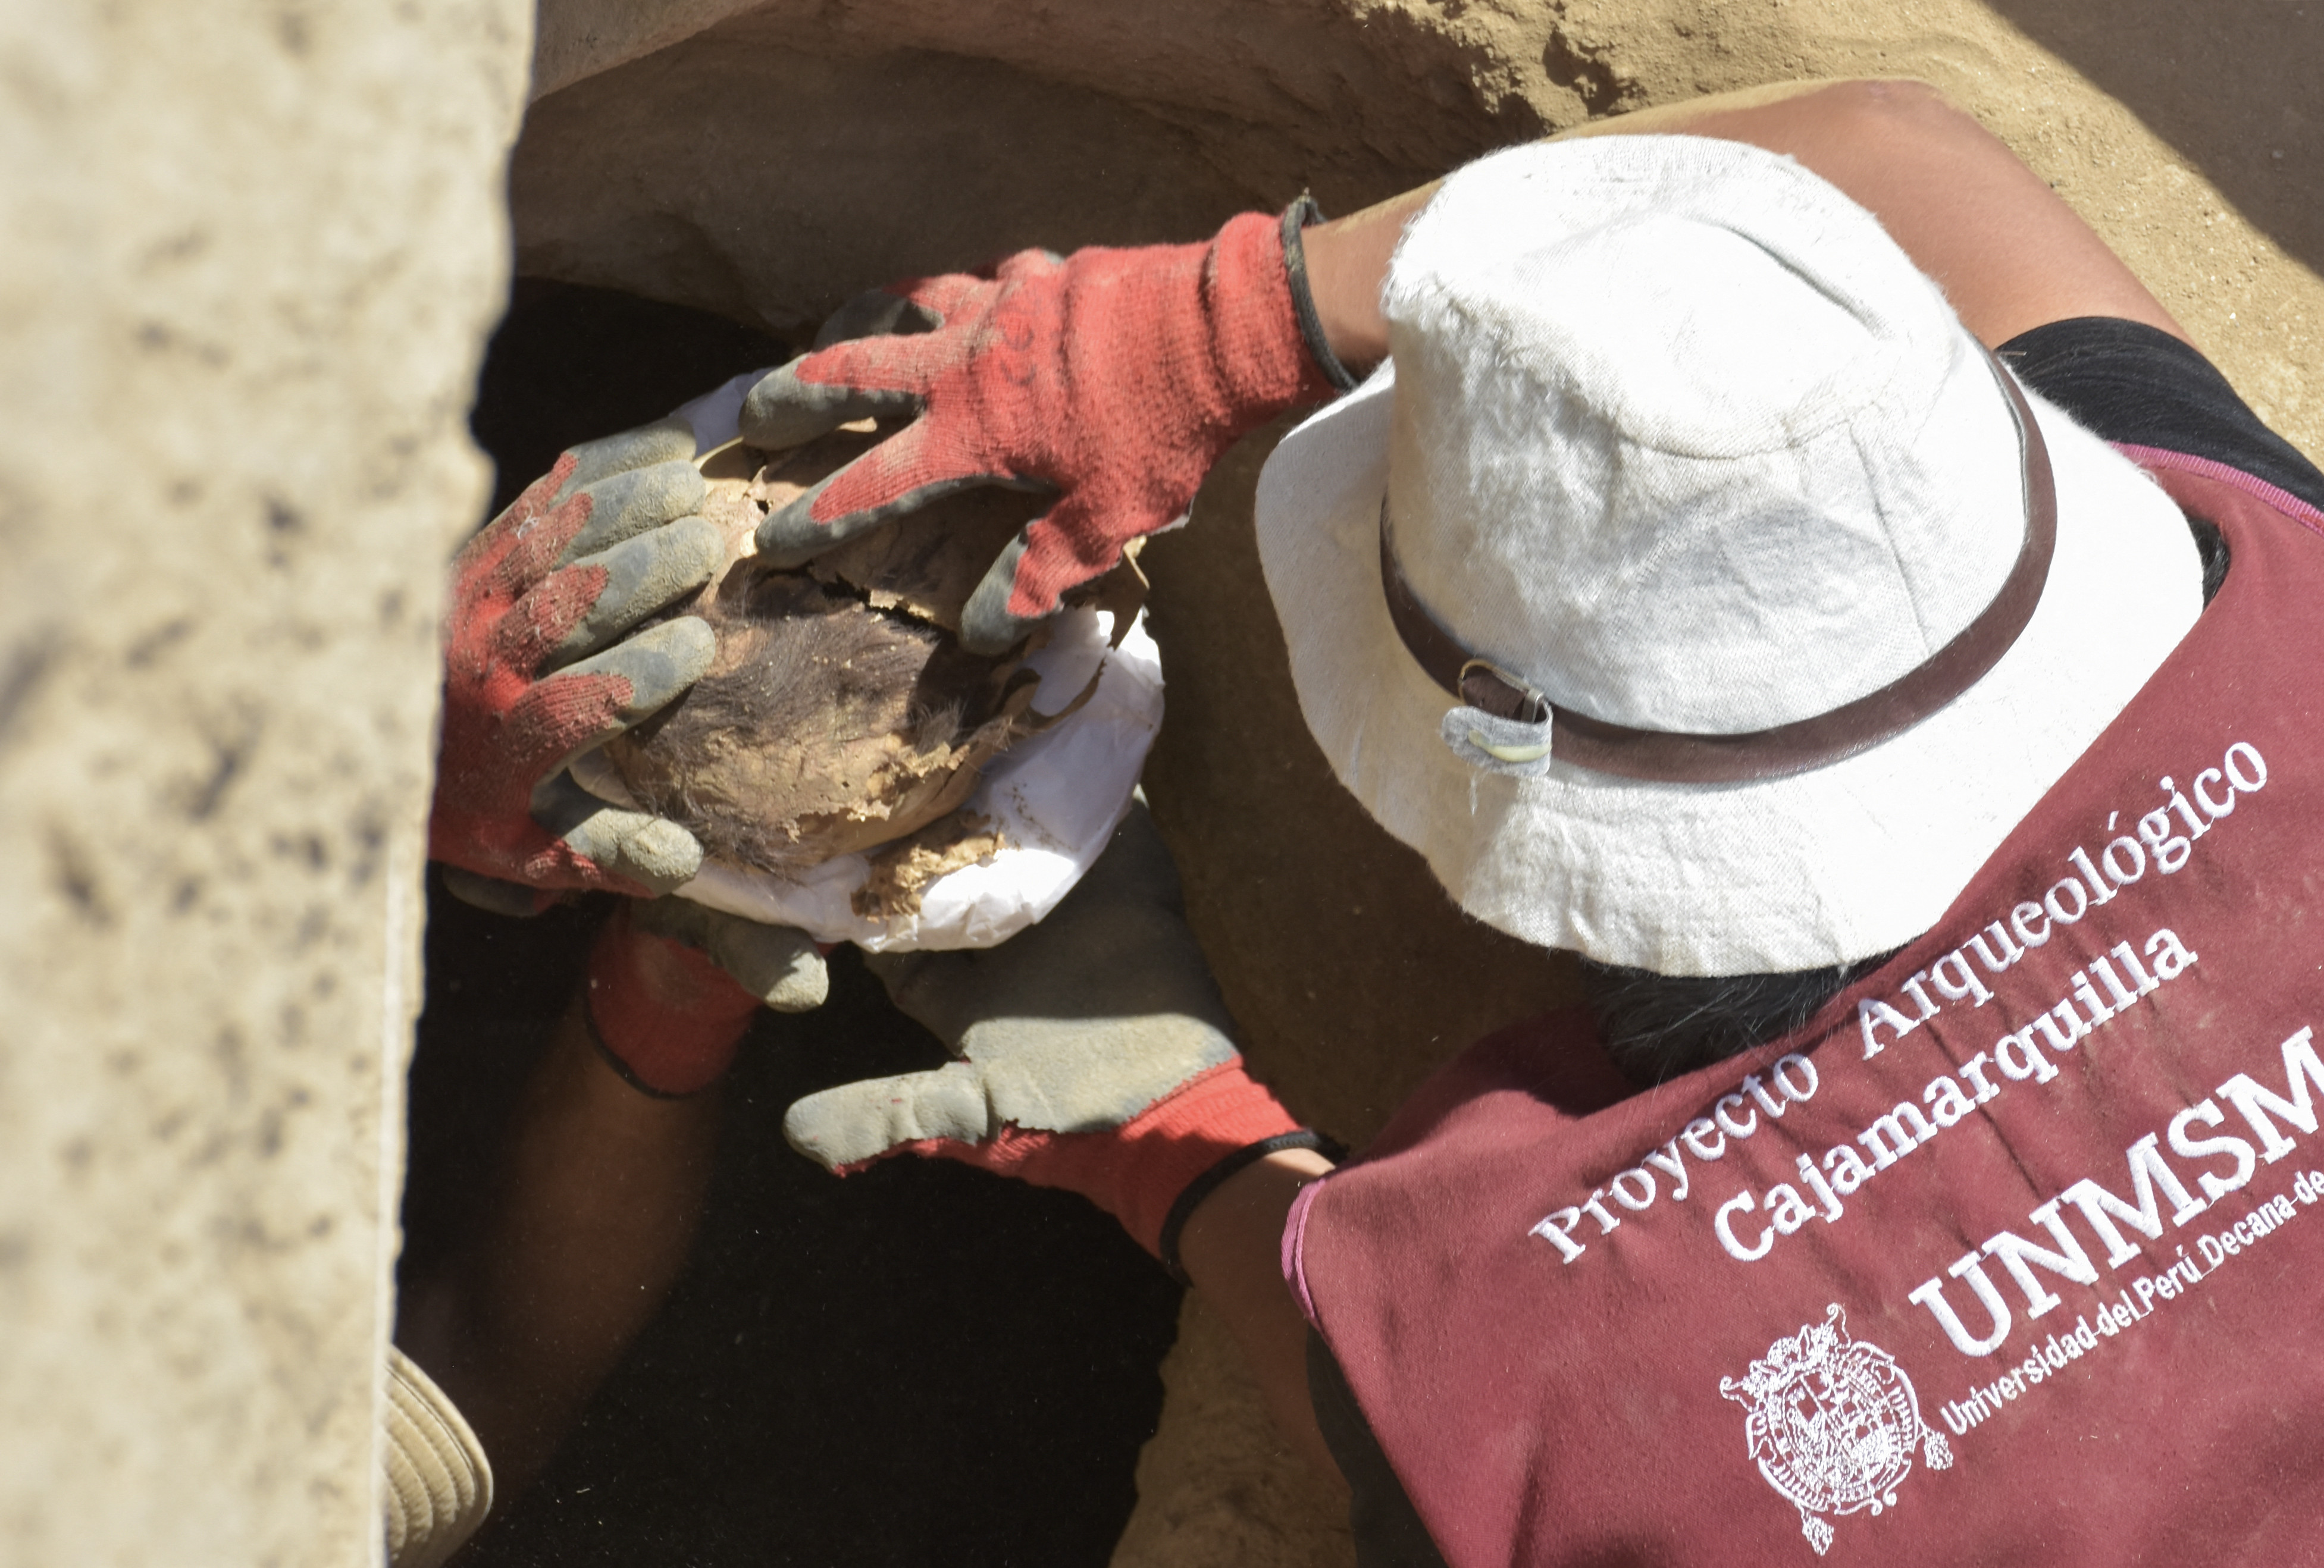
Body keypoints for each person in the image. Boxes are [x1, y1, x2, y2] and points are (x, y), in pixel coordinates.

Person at [418, 77, 2324, 1563]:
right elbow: (1894, 156)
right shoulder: (2272, 588)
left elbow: (1443, 1397)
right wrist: (1174, 1142)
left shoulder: (1560, 1354)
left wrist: (1230, 319)